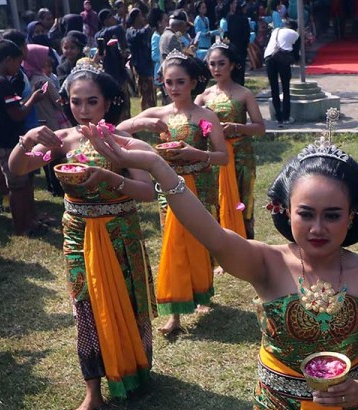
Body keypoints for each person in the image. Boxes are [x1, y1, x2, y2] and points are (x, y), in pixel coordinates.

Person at [80, 106, 358, 410]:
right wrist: (158, 167)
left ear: (353, 216)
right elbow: (212, 235)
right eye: (306, 213)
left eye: (332, 215)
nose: (317, 228)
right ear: (284, 209)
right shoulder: (267, 263)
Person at [7, 59, 158, 410]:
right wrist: (26, 140)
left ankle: (133, 369)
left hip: (120, 232)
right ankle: (93, 391)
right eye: (76, 102)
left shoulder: (124, 142)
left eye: (92, 101)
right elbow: (18, 168)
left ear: (107, 103)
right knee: (86, 307)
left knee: (126, 301)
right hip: (78, 234)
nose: (84, 110)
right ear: (66, 103)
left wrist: (108, 178)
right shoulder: (62, 140)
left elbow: (149, 191)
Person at [117, 50, 228, 335]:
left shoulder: (206, 116)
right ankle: (175, 314)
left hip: (200, 185)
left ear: (192, 82)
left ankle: (201, 291)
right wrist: (142, 124)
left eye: (180, 82)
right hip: (169, 187)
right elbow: (117, 129)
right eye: (169, 83)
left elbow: (223, 157)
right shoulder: (159, 114)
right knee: (173, 243)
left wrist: (194, 153)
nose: (175, 88)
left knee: (200, 240)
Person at [197, 42, 264, 241]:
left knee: (242, 199)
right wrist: (208, 130)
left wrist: (237, 128)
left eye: (221, 63)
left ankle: (245, 243)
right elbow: (193, 123)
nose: (216, 69)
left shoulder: (244, 94)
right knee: (215, 198)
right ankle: (220, 247)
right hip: (215, 156)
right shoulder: (204, 96)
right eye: (212, 64)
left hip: (241, 155)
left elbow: (260, 128)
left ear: (232, 65)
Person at [0, 39, 46, 236]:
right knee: (17, 187)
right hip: (5, 141)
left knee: (24, 182)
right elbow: (17, 114)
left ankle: (30, 220)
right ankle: (22, 227)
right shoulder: (0, 83)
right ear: (8, 59)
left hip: (6, 139)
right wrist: (34, 98)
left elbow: (14, 108)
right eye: (18, 62)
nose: (19, 66)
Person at [24, 43, 69, 196]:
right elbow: (59, 102)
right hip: (50, 121)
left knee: (42, 156)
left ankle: (50, 185)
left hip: (35, 123)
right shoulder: (45, 81)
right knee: (54, 155)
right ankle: (57, 187)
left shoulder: (27, 77)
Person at [96, 8, 130, 121]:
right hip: (111, 73)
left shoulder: (112, 33)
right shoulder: (103, 34)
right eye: (110, 17)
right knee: (117, 101)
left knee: (125, 101)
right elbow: (117, 29)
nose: (114, 18)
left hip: (119, 71)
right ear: (105, 21)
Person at [264, 19, 299, 127]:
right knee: (285, 88)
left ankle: (278, 117)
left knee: (274, 88)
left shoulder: (276, 30)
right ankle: (286, 117)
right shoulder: (295, 34)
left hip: (269, 57)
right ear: (294, 27)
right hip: (282, 60)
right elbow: (295, 51)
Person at [127, 7, 157, 111]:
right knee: (145, 93)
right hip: (140, 66)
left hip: (148, 65)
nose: (142, 18)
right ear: (134, 18)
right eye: (139, 16)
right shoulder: (130, 32)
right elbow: (138, 36)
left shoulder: (143, 30)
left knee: (152, 92)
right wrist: (148, 26)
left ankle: (153, 111)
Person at [225, 0, 250, 85]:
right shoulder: (244, 19)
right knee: (240, 69)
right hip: (241, 49)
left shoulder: (229, 17)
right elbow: (247, 35)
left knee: (232, 68)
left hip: (232, 47)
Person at [149, 8, 169, 105]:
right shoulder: (156, 36)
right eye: (165, 21)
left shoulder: (165, 34)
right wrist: (167, 57)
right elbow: (154, 56)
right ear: (159, 23)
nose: (167, 23)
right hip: (161, 70)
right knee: (166, 96)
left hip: (167, 68)